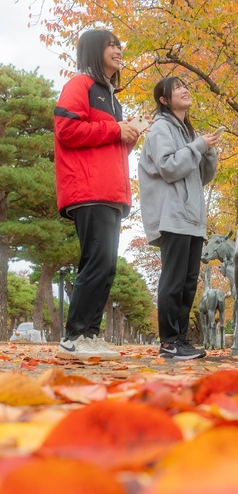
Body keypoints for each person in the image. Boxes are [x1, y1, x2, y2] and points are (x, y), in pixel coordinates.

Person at [54, 29, 141, 361]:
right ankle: (74, 335)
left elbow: (112, 143)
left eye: (119, 44)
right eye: (111, 44)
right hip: (88, 188)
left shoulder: (111, 95)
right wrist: (115, 129)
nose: (118, 49)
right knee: (96, 261)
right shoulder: (81, 85)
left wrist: (129, 132)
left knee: (107, 266)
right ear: (94, 50)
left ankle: (90, 334)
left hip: (112, 191)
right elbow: (66, 128)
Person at [138, 76, 221, 360]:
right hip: (172, 216)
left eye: (185, 86)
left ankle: (181, 340)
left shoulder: (187, 133)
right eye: (176, 88)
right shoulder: (161, 128)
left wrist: (207, 151)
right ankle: (169, 342)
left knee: (188, 282)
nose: (185, 90)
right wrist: (197, 147)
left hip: (192, 219)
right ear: (163, 100)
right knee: (173, 281)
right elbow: (169, 167)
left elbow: (202, 177)